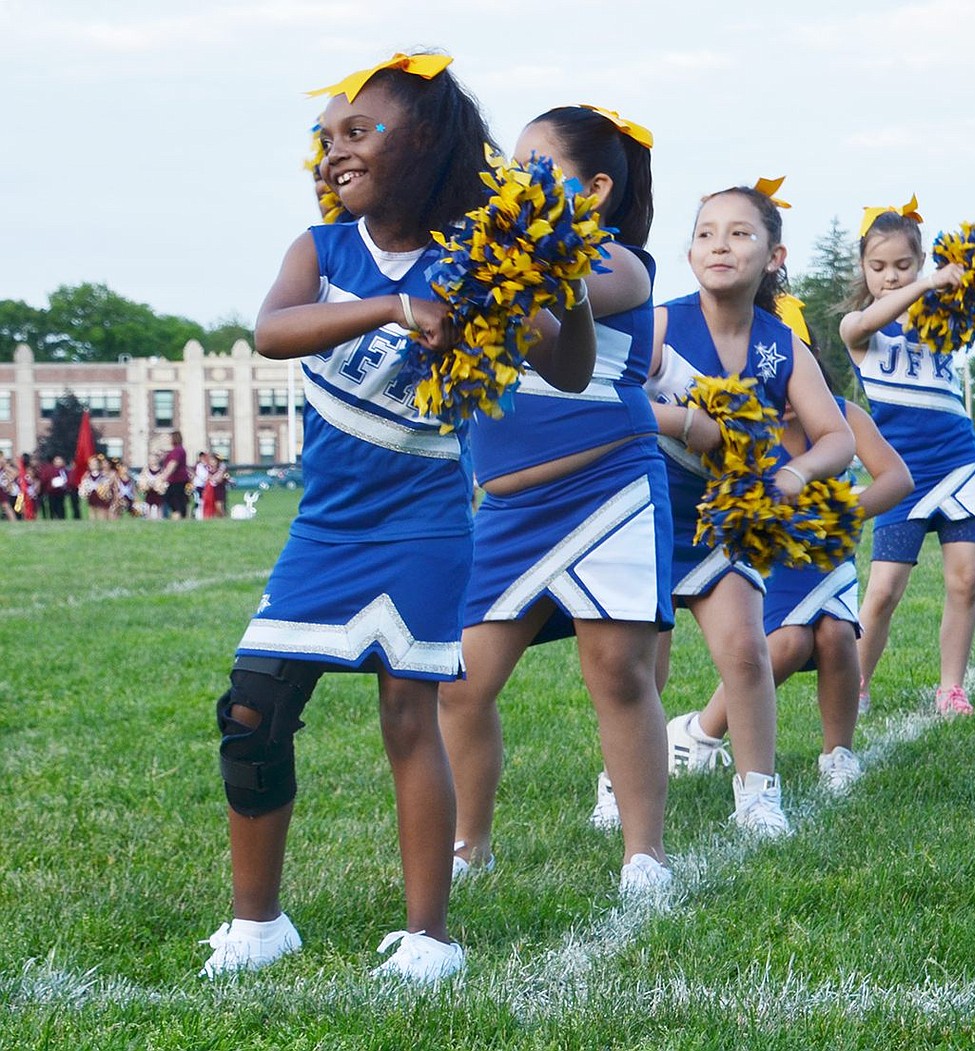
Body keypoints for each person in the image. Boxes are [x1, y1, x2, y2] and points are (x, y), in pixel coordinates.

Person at [200, 52, 594, 984]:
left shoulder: (480, 265)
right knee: (253, 708)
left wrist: (561, 277)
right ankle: (258, 924)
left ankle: (430, 936)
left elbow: (571, 367)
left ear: (426, 142)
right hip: (325, 528)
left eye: (358, 131)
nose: (336, 150)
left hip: (423, 523)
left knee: (407, 714)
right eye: (328, 136)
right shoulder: (322, 249)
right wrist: (389, 306)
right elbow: (271, 330)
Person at [437, 104, 674, 896]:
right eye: (512, 159)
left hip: (606, 486)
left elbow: (542, 305)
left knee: (616, 671)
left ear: (596, 186)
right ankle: (470, 846)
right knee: (462, 680)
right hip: (504, 511)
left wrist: (477, 262)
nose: (516, 173)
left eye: (537, 161)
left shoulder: (623, 263)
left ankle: (645, 855)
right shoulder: (489, 253)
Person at [633, 184, 854, 837]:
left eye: (739, 233)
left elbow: (837, 436)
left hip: (726, 522)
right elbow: (614, 404)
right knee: (638, 666)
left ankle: (758, 794)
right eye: (706, 233)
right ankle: (619, 781)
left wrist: (794, 471)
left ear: (773, 254)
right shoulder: (663, 322)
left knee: (746, 651)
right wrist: (685, 420)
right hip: (648, 512)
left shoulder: (782, 345)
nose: (720, 245)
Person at [660, 324, 913, 797]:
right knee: (788, 644)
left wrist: (839, 512)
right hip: (771, 558)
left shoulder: (845, 416)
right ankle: (699, 732)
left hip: (827, 555)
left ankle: (839, 752)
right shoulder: (746, 425)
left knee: (838, 635)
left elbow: (897, 478)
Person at [840, 200, 975, 716]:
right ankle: (855, 685)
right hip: (902, 474)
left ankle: (951, 688)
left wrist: (966, 279)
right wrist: (921, 285)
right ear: (862, 267)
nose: (890, 276)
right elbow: (860, 324)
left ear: (921, 259)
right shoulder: (863, 328)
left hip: (957, 462)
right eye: (877, 267)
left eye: (904, 265)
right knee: (883, 592)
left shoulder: (944, 316)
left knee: (965, 581)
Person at [159, 431, 190, 519]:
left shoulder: (177, 450)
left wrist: (164, 476)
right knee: (180, 499)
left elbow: (173, 464)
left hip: (177, 479)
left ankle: (179, 515)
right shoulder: (179, 449)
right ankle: (181, 515)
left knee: (171, 498)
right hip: (180, 479)